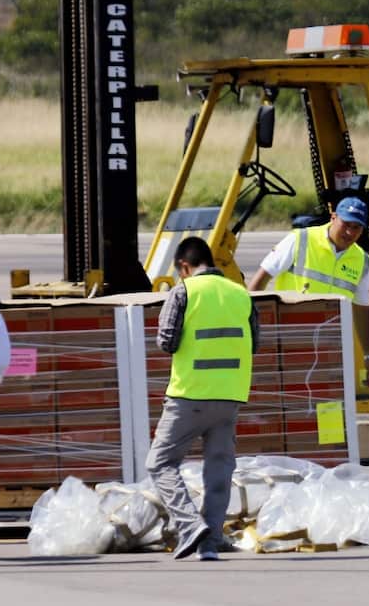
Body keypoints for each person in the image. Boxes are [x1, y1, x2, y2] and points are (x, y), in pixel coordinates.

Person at [147, 236, 258, 562]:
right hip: (231, 395)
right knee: (218, 469)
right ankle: (209, 542)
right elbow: (255, 343)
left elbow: (166, 342)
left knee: (160, 463)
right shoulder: (241, 294)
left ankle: (189, 525)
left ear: (184, 266)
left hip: (190, 394)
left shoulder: (183, 291)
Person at [248, 196, 369, 387]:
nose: (349, 232)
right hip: (289, 341)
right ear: (333, 217)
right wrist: (249, 329)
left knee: (328, 409)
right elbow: (259, 281)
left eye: (356, 227)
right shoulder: (300, 239)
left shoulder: (362, 261)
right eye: (346, 224)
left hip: (330, 350)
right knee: (293, 399)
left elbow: (362, 309)